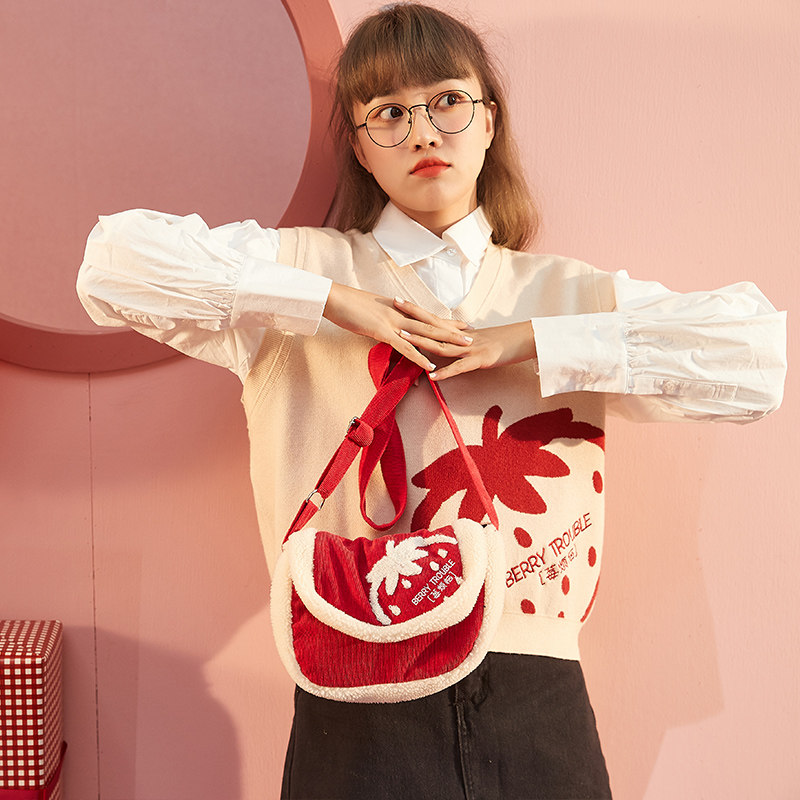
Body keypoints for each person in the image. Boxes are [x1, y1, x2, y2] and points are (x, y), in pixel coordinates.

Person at [76, 4, 786, 798]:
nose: (422, 134)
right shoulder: (299, 274)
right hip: (354, 675)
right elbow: (112, 264)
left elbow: (755, 360)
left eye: (448, 101)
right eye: (388, 113)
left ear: (490, 120)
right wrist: (334, 303)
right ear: (358, 147)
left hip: (535, 689)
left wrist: (532, 341)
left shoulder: (570, 294)